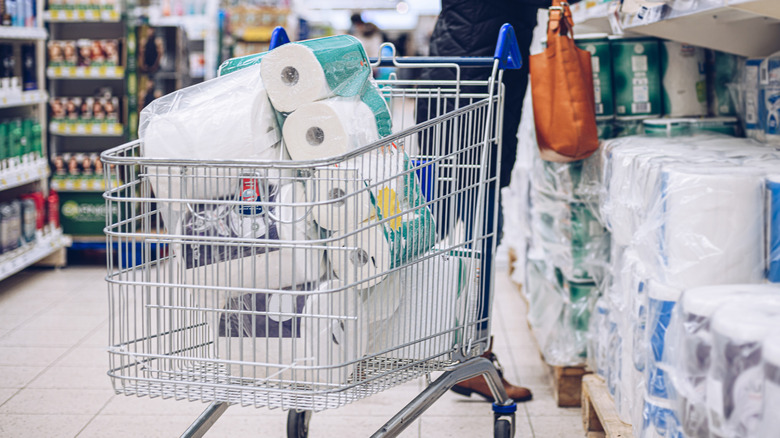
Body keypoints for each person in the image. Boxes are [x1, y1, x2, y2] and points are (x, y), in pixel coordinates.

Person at [418, 0, 579, 403]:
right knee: (476, 228)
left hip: (468, 74)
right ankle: (471, 355)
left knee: (454, 224)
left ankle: (468, 351)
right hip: (477, 84)